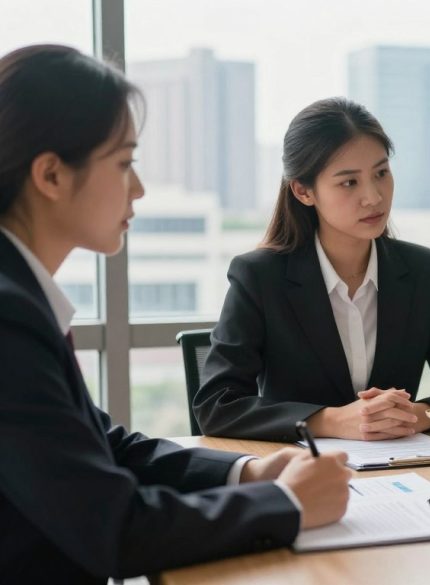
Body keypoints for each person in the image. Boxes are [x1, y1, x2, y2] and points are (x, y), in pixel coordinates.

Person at [0, 45, 352, 583]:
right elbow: (117, 529)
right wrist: (287, 504)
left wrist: (248, 472)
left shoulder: (21, 298)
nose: (138, 189)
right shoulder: (9, 318)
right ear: (51, 175)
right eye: (124, 163)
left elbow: (104, 447)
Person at [194, 97, 430, 443]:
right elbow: (217, 406)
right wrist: (331, 421)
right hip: (302, 467)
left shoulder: (421, 271)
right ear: (303, 191)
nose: (374, 197)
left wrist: (413, 416)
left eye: (381, 173)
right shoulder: (260, 277)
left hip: (400, 466)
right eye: (349, 182)